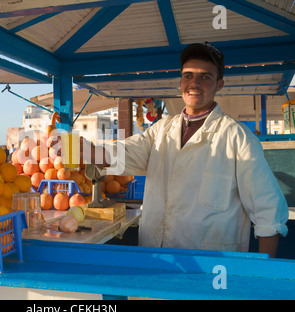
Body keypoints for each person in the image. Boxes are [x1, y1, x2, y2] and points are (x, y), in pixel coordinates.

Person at [82, 42, 289, 257]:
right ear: (180, 81)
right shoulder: (161, 130)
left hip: (212, 269)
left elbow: (269, 214)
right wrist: (83, 151)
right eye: (188, 75)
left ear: (220, 84)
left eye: (205, 77)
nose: (194, 83)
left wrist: (263, 273)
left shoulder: (238, 138)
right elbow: (126, 153)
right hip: (154, 258)